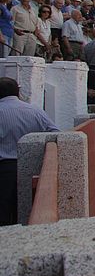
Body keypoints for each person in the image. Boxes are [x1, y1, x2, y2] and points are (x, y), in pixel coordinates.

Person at [0, 77, 60, 226]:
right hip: (33, 166)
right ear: (18, 92)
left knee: (4, 214)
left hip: (4, 168)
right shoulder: (34, 110)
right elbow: (57, 133)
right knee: (27, 211)